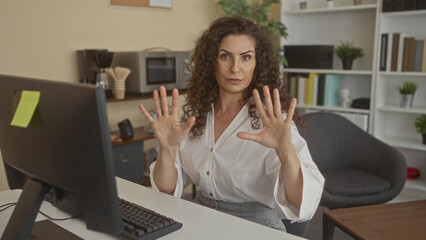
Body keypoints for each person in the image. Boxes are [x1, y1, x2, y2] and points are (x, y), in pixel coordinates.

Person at [138, 16, 324, 231]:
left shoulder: (273, 123)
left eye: (246, 58)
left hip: (256, 227)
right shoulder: (196, 119)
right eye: (225, 56)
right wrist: (168, 150)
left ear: (257, 64)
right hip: (200, 216)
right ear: (211, 63)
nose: (235, 68)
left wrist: (286, 152)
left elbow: (302, 205)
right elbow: (165, 190)